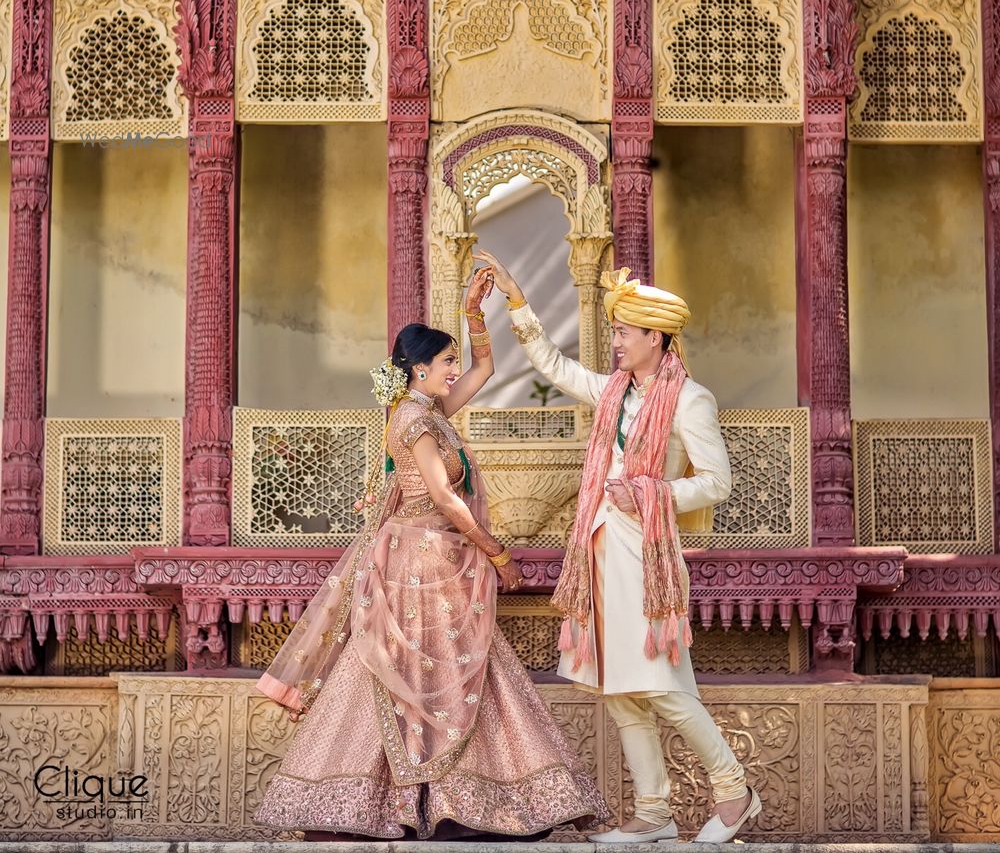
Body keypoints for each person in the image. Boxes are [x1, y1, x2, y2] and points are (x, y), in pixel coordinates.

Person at [253, 266, 610, 840]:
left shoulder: (431, 411)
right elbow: (444, 497)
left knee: (450, 675)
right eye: (445, 362)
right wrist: (497, 554)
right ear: (420, 368)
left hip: (436, 561)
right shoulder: (416, 420)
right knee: (414, 677)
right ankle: (387, 805)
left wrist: (475, 311)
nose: (453, 371)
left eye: (451, 361)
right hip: (417, 564)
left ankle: (460, 804)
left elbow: (486, 368)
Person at [475, 250, 761, 846]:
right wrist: (517, 299)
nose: (616, 344)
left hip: (648, 559)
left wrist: (648, 492)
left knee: (662, 686)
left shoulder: (691, 400)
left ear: (656, 337)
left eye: (625, 333)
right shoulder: (613, 393)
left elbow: (717, 481)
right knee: (620, 692)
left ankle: (734, 791)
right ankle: (654, 815)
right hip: (601, 556)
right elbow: (551, 364)